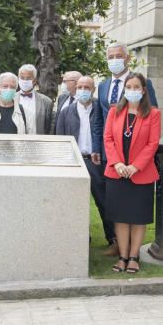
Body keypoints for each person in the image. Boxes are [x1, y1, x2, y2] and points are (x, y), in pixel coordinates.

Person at [104, 73, 161, 274]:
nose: (132, 90)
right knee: (120, 217)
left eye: (137, 86)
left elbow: (152, 144)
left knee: (137, 217)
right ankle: (122, 257)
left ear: (143, 90)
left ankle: (134, 257)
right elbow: (108, 138)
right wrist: (118, 163)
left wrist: (135, 166)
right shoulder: (114, 112)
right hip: (117, 173)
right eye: (129, 86)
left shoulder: (153, 114)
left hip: (141, 174)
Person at [55, 75, 113, 247]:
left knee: (103, 200)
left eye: (87, 87)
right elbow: (60, 138)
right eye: (80, 87)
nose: (82, 90)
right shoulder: (66, 111)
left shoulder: (100, 109)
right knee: (75, 202)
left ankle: (112, 238)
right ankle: (79, 237)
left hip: (95, 161)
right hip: (74, 161)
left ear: (93, 90)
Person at [97, 43, 159, 121]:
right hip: (107, 133)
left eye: (119, 56)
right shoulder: (102, 86)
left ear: (128, 58)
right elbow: (98, 118)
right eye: (111, 57)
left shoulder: (143, 82)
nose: (114, 60)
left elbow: (152, 114)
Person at [17, 64, 54, 135]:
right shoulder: (12, 99)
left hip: (38, 142)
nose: (24, 81)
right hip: (16, 141)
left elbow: (49, 127)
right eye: (22, 78)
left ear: (34, 80)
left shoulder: (46, 101)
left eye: (28, 78)